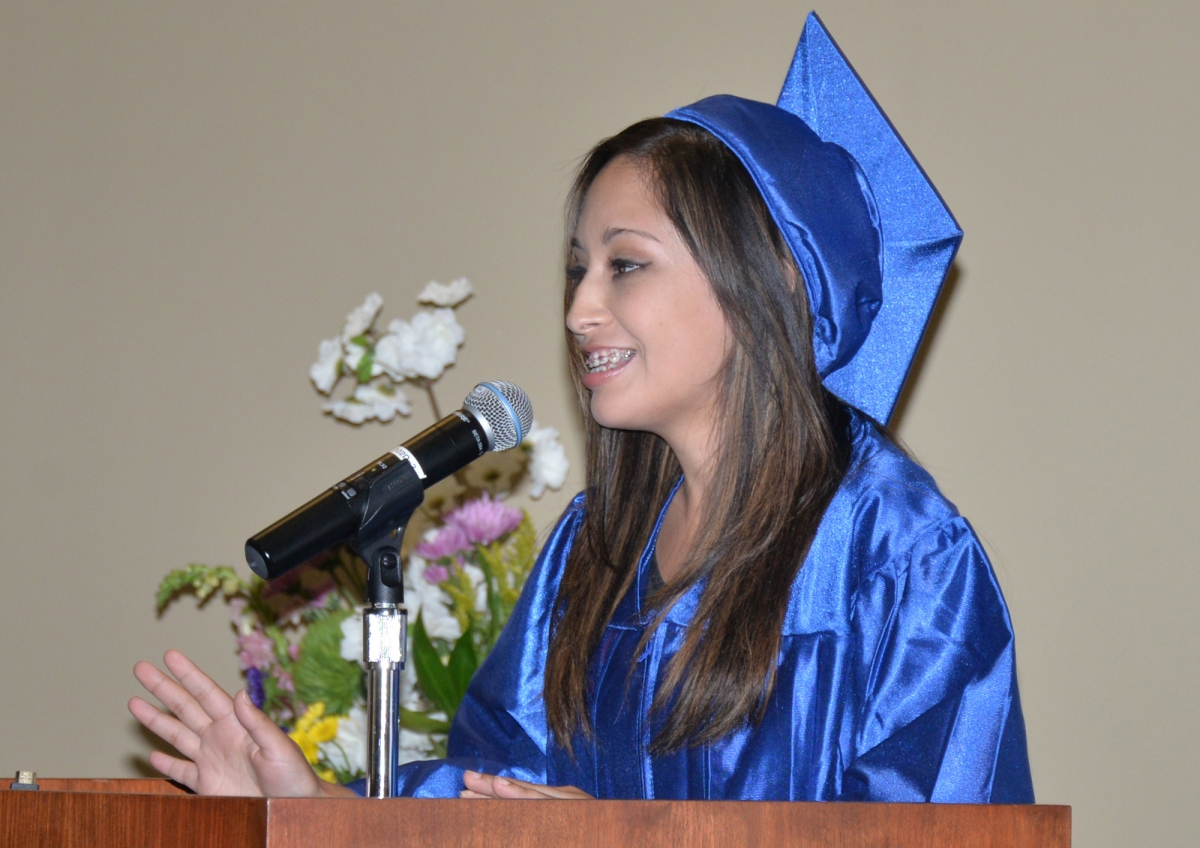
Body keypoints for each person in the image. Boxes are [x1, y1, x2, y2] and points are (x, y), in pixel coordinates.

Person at [130, 15, 1034, 803]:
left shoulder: (901, 556)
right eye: (576, 267)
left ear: (773, 282)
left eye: (625, 264)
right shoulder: (595, 545)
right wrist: (318, 807)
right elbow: (501, 791)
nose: (577, 311)